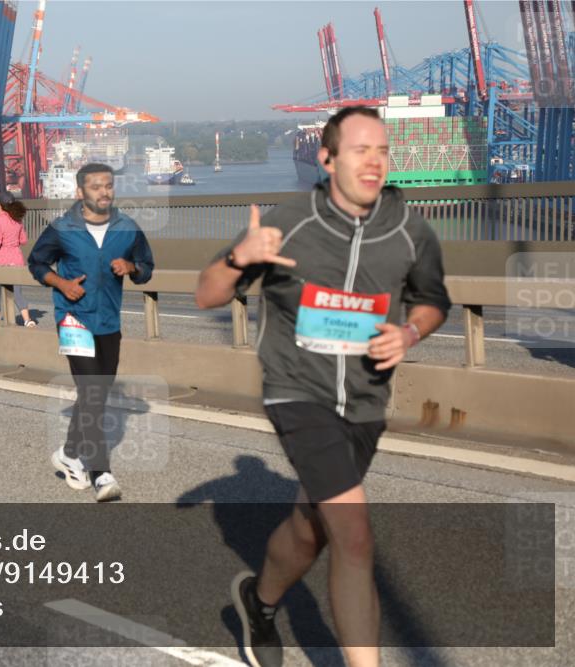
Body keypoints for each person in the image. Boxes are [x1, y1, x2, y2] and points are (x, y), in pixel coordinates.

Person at [195, 107, 450, 667]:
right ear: (327, 158)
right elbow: (207, 294)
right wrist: (240, 258)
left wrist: (409, 331)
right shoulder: (288, 222)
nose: (374, 161)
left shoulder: (411, 231)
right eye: (361, 150)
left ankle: (258, 603)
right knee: (354, 535)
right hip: (298, 393)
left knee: (313, 527)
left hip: (365, 402)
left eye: (382, 150)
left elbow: (435, 301)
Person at [28, 163, 154, 502]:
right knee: (94, 393)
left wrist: (132, 267)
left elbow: (147, 268)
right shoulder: (62, 228)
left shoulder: (127, 228)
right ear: (80, 192)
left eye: (108, 186)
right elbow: (37, 263)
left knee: (95, 393)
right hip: (73, 320)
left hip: (109, 323)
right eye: (95, 186)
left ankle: (69, 453)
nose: (104, 192)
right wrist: (61, 283)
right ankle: (102, 474)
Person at [0, 191, 37, 327]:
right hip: (16, 259)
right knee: (17, 292)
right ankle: (27, 319)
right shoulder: (17, 220)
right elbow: (23, 240)